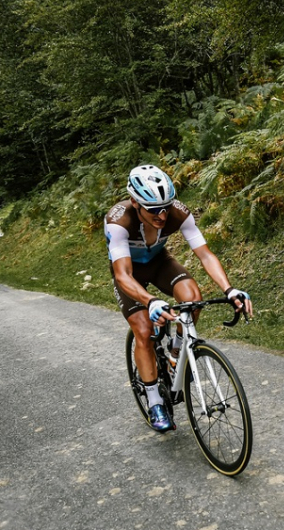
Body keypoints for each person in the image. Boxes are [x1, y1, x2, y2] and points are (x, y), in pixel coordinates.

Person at [105, 164, 253, 432]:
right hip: (130, 272)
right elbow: (123, 275)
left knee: (192, 297)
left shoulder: (178, 213)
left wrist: (229, 289)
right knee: (143, 329)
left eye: (166, 206)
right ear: (134, 202)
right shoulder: (119, 221)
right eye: (153, 209)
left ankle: (176, 352)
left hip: (159, 262)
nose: (162, 215)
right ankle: (154, 402)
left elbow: (205, 254)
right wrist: (150, 301)